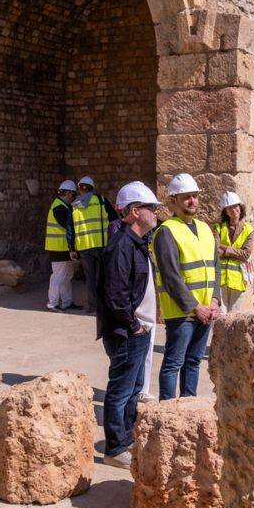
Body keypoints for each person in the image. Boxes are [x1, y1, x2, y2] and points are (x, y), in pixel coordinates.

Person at [96, 181, 161, 469]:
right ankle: (114, 447)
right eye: (151, 208)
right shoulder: (121, 245)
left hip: (139, 329)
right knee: (120, 390)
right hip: (127, 332)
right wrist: (133, 324)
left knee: (134, 388)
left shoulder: (137, 241)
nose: (156, 213)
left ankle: (127, 436)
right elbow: (115, 293)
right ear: (135, 211)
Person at [153, 173, 220, 400]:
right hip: (182, 312)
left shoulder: (205, 229)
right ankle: (168, 410)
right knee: (174, 362)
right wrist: (194, 307)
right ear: (173, 201)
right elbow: (171, 277)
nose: (192, 201)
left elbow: (215, 268)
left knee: (193, 361)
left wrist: (215, 300)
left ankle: (189, 406)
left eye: (195, 196)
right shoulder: (166, 231)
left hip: (206, 309)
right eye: (186, 198)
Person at [72, 176, 118, 314]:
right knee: (102, 277)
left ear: (80, 189)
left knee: (90, 278)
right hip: (101, 244)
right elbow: (114, 219)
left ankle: (91, 306)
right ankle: (103, 305)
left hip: (84, 247)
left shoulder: (74, 205)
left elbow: (70, 228)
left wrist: (71, 248)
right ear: (92, 188)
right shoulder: (101, 201)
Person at [215, 191, 254, 314]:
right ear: (225, 211)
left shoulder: (249, 230)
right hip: (220, 279)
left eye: (236, 206)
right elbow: (215, 251)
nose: (233, 210)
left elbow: (246, 254)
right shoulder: (218, 228)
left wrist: (225, 249)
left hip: (238, 280)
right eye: (229, 208)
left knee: (233, 317)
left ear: (240, 207)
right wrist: (236, 252)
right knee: (221, 316)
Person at [44, 179, 78, 311]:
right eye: (73, 195)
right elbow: (68, 226)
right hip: (58, 247)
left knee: (67, 275)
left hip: (64, 247)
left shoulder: (63, 206)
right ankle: (52, 303)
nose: (73, 198)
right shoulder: (59, 207)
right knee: (58, 276)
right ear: (69, 193)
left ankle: (67, 302)